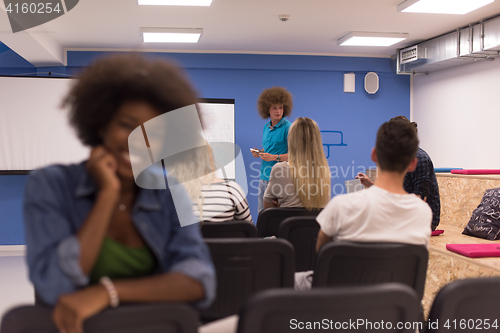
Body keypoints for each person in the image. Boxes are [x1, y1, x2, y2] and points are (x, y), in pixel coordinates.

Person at [23, 54, 216, 333]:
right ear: (102, 125)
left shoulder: (171, 189)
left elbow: (200, 280)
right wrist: (107, 196)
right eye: (127, 125)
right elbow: (55, 285)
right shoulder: (49, 185)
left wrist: (107, 293)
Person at [316, 120, 432, 250]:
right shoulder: (423, 213)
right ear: (413, 164)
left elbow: (322, 254)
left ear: (374, 155)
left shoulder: (341, 206)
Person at [357, 116, 441, 230]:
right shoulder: (397, 157)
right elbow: (392, 194)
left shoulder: (420, 158)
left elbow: (420, 200)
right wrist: (370, 185)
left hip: (423, 220)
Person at [263, 117, 331, 210]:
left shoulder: (279, 169)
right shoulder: (324, 171)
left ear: (291, 140)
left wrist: (280, 208)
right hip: (316, 224)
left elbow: (268, 205)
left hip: (287, 224)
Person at [251, 87, 293, 213]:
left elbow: (295, 155)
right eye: (274, 108)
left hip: (279, 178)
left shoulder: (289, 128)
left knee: (276, 214)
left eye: (280, 107)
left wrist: (274, 157)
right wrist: (260, 152)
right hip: (263, 176)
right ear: (267, 109)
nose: (278, 111)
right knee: (261, 212)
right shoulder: (266, 127)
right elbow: (269, 148)